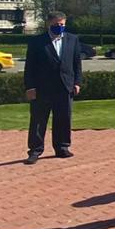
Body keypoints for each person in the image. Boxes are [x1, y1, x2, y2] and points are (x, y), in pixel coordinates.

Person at [23, 11, 82, 164]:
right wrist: (30, 87)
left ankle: (62, 147)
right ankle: (35, 150)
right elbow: (30, 66)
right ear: (48, 24)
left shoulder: (73, 39)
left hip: (65, 86)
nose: (59, 27)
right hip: (42, 88)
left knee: (63, 119)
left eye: (62, 24)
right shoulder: (37, 42)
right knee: (38, 120)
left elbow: (77, 63)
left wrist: (77, 82)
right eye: (56, 24)